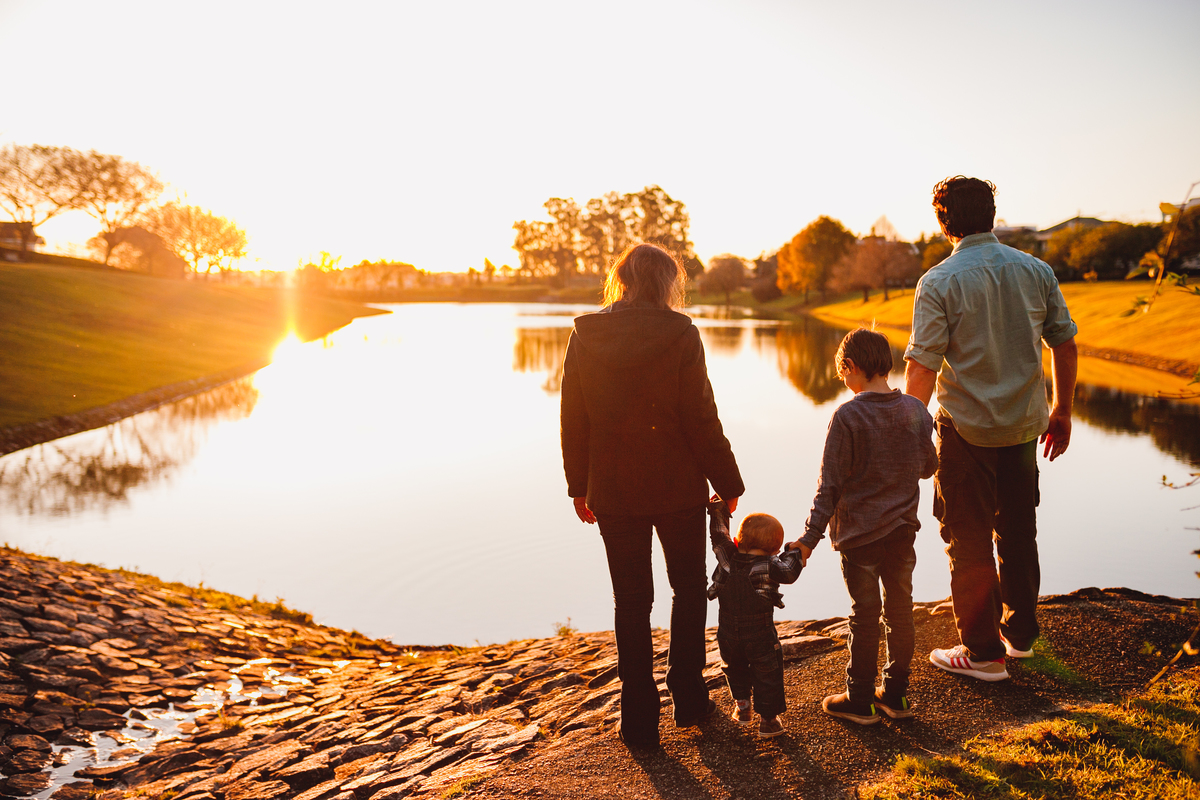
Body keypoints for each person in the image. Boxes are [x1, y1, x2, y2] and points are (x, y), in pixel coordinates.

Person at [561, 242, 744, 748]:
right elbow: (700, 416)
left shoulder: (586, 334)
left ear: (621, 280)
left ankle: (638, 720)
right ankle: (688, 698)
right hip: (677, 485)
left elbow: (572, 419)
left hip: (614, 489)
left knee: (631, 601)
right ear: (667, 284)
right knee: (687, 589)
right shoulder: (681, 333)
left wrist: (579, 485)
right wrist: (728, 482)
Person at [904, 176, 1078, 682]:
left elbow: (922, 367)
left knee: (968, 538)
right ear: (992, 214)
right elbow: (1063, 344)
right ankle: (1020, 637)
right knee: (1020, 531)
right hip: (1025, 428)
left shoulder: (939, 280)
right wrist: (1062, 411)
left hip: (965, 432)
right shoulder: (1035, 269)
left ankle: (982, 654)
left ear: (944, 221)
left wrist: (912, 435)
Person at [797, 328, 936, 724]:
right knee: (900, 609)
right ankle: (895, 696)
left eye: (843, 372)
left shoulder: (848, 415)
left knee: (864, 614)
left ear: (851, 366)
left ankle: (860, 700)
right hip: (902, 531)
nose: (843, 381)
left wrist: (808, 540)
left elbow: (830, 486)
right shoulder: (915, 410)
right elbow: (928, 467)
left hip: (859, 536)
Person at [706, 501, 804, 738]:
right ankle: (768, 721)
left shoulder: (727, 556)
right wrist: (795, 551)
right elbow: (790, 571)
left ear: (738, 541)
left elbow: (719, 535)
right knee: (767, 672)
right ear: (774, 549)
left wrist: (719, 510)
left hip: (728, 632)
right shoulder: (771, 564)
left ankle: (743, 708)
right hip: (760, 633)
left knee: (734, 667)